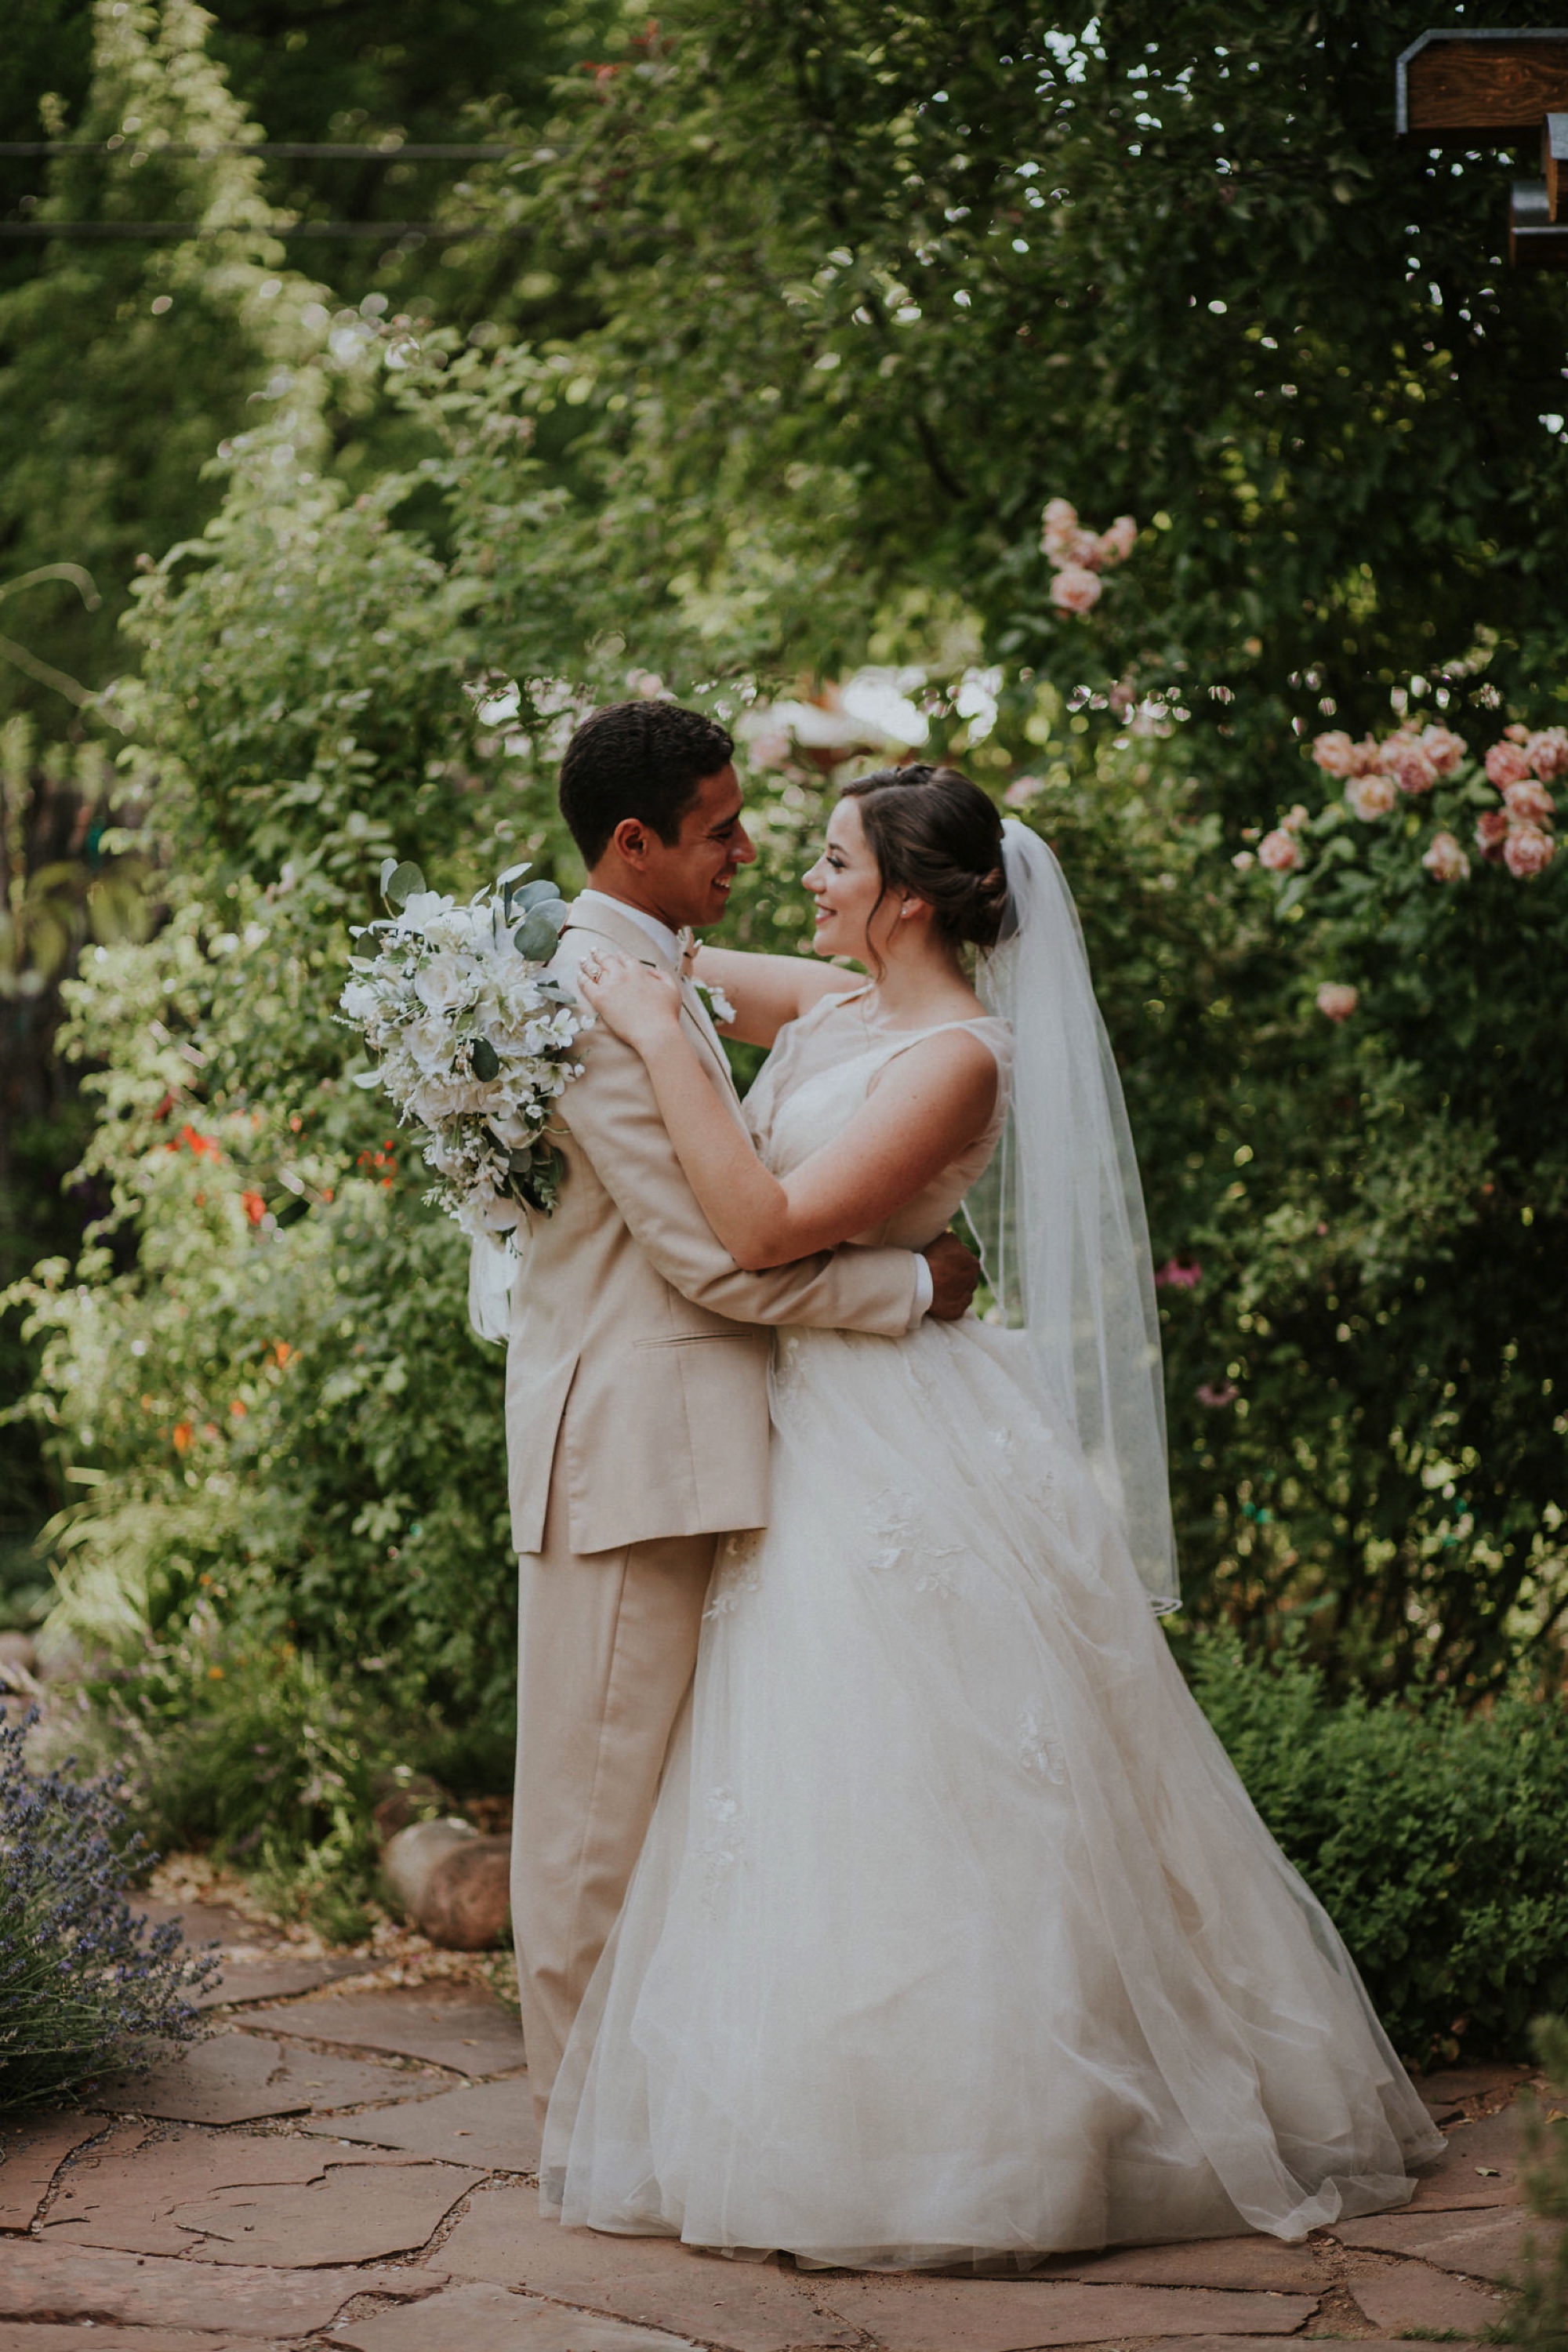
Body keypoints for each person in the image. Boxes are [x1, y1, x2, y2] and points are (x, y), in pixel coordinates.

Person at [546, 759, 1444, 2269]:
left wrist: (655, 1037)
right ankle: (816, 2105)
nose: (801, 878)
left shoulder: (958, 1055)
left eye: (832, 860)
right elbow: (663, 955)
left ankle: (993, 2140)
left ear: (905, 894)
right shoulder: (836, 1010)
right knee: (807, 1778)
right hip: (814, 1419)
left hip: (897, 1440)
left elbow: (762, 1227)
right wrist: (591, 971)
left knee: (928, 1770)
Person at [497, 702, 981, 2129]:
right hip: (633, 1443)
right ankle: (586, 2132)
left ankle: (679, 2120)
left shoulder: (648, 965)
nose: (755, 850)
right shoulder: (598, 994)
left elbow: (807, 1005)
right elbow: (718, 1256)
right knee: (595, 1822)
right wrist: (914, 1287)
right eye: (721, 830)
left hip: (714, 1443)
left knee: (693, 1815)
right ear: (634, 844)